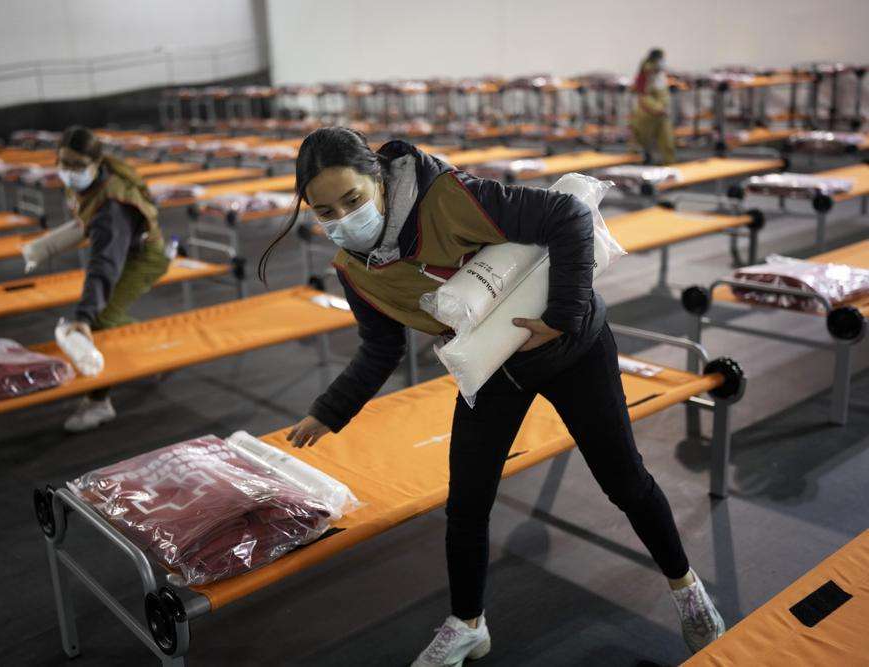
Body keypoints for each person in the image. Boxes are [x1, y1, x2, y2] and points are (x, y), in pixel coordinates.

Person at [259, 127, 724, 665]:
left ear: (380, 180)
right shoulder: (354, 271)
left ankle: (686, 589)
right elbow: (380, 347)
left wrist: (563, 316)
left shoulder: (449, 199)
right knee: (468, 503)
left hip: (573, 348)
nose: (343, 218)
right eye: (325, 211)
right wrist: (330, 410)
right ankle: (468, 624)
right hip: (494, 368)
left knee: (624, 481)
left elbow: (568, 217)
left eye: (353, 200)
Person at [55, 126, 170, 432]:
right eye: (64, 163)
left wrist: (84, 315)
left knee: (100, 320)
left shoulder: (113, 205)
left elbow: (104, 264)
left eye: (77, 165)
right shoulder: (92, 182)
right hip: (128, 248)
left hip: (144, 258)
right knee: (106, 314)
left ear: (96, 163)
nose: (69, 171)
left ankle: (98, 402)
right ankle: (156, 348)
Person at [630, 48, 677, 165]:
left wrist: (662, 109)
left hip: (662, 115)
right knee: (642, 144)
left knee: (668, 145)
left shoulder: (661, 75)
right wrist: (658, 108)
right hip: (648, 114)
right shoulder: (647, 69)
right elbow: (643, 96)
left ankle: (671, 171)